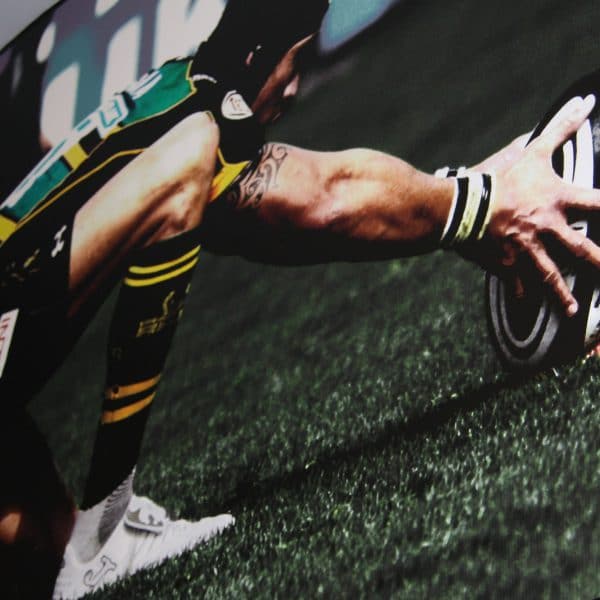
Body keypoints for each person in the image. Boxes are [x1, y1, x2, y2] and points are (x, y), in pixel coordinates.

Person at [1, 1, 599, 598]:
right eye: (297, 62)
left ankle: (78, 542)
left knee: (37, 546)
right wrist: (481, 207)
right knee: (188, 155)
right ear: (261, 57)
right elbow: (325, 196)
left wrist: (460, 198)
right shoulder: (200, 120)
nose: (296, 86)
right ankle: (107, 531)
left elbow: (285, 222)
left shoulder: (177, 90)